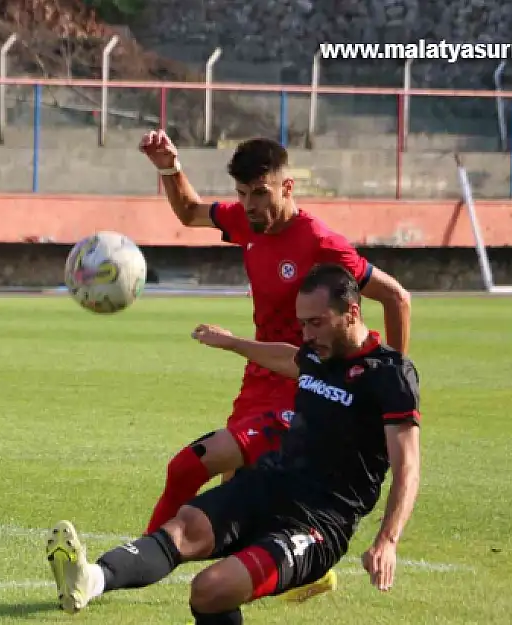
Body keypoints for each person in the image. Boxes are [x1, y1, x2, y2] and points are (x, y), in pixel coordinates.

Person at [45, 264, 422, 623]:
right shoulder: (317, 351)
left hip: (317, 522)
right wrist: (230, 343)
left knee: (210, 589)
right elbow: (289, 357)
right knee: (183, 528)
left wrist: (387, 540)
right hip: (267, 485)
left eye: (316, 323)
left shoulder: (389, 375)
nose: (307, 334)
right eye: (303, 323)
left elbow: (407, 467)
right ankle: (90, 579)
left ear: (352, 312)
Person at [138, 133, 413, 555]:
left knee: (190, 466)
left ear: (287, 187)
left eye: (260, 193)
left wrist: (391, 380)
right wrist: (168, 168)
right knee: (236, 502)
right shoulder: (247, 221)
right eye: (242, 193)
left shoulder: (322, 244)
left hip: (301, 386)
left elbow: (396, 296)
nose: (250, 205)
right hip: (257, 379)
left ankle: (135, 559)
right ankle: (300, 570)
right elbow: (190, 212)